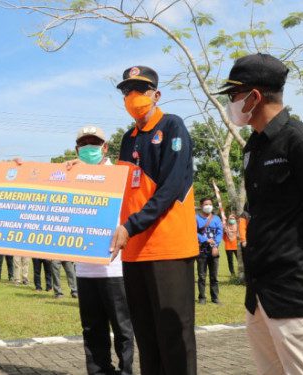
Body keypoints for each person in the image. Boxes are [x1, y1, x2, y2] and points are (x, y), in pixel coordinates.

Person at [217, 53, 303, 374]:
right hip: (261, 293)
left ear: (255, 96)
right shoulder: (253, 148)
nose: (231, 103)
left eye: (234, 95)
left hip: (297, 293)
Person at [109, 66, 199, 374]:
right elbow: (113, 189)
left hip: (168, 249)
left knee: (174, 337)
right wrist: (76, 173)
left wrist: (131, 226)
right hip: (133, 252)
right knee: (147, 339)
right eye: (127, 91)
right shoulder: (127, 139)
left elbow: (171, 188)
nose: (133, 97)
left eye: (140, 90)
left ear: (156, 95)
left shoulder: (172, 127)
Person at [73, 125, 134, 375]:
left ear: (105, 147)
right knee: (92, 329)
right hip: (84, 268)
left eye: (94, 143)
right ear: (77, 149)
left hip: (114, 267)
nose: (90, 148)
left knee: (123, 329)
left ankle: (126, 370)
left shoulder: (120, 174)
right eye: (84, 143)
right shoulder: (71, 176)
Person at [196, 197, 223, 305]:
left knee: (214, 276)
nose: (208, 206)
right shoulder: (196, 218)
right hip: (201, 251)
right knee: (202, 276)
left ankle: (215, 297)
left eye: (210, 204)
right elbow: (193, 232)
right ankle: (202, 297)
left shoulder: (216, 219)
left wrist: (215, 245)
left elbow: (220, 233)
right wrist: (205, 239)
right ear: (201, 205)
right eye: (206, 204)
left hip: (213, 251)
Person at [223, 213, 240, 278]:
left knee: (239, 260)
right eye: (230, 218)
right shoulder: (226, 227)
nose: (231, 220)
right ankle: (232, 273)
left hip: (236, 246)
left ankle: (241, 272)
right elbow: (223, 237)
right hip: (228, 246)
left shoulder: (237, 227)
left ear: (235, 219)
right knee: (230, 261)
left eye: (233, 218)